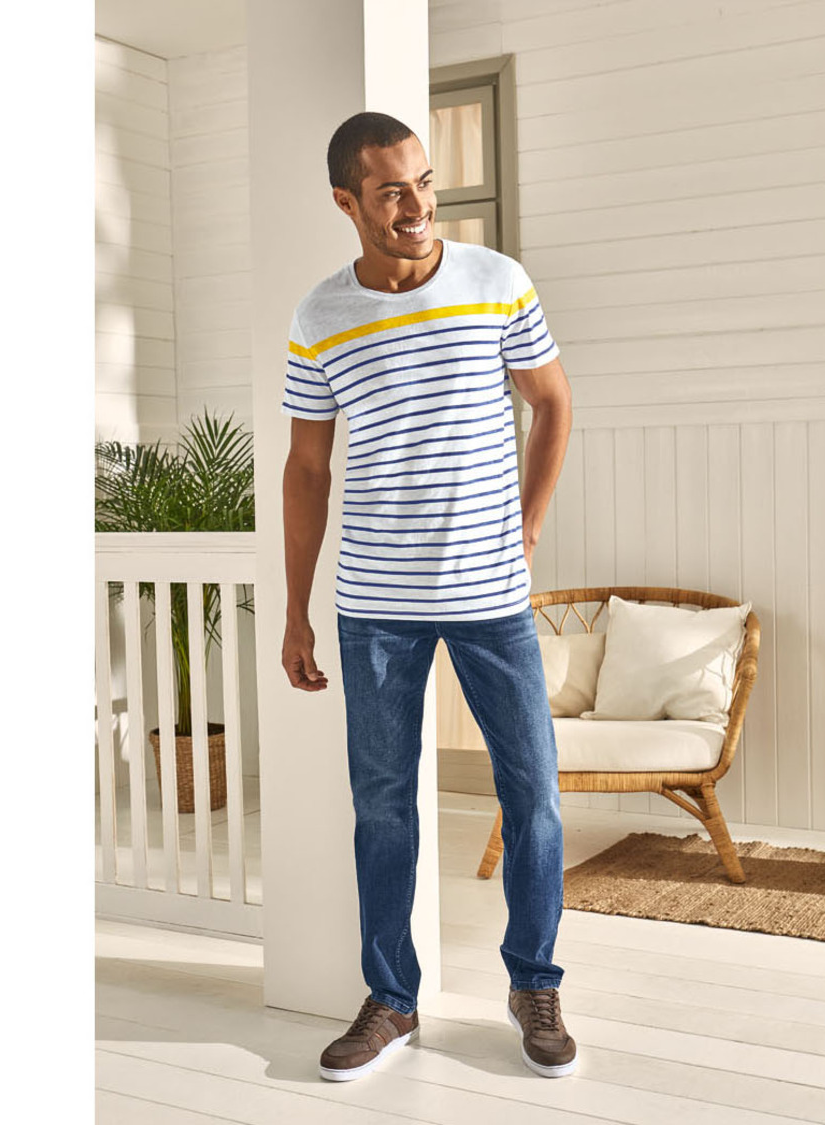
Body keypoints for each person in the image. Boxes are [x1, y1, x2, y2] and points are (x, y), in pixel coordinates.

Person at [279, 111, 577, 1082]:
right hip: (374, 606)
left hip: (491, 596)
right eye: (390, 191)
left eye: (424, 182)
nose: (416, 206)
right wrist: (296, 610)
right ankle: (391, 998)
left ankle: (534, 983)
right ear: (346, 202)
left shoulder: (497, 282)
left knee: (532, 795)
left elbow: (552, 403)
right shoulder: (320, 317)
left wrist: (527, 525)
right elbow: (307, 471)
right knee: (382, 806)